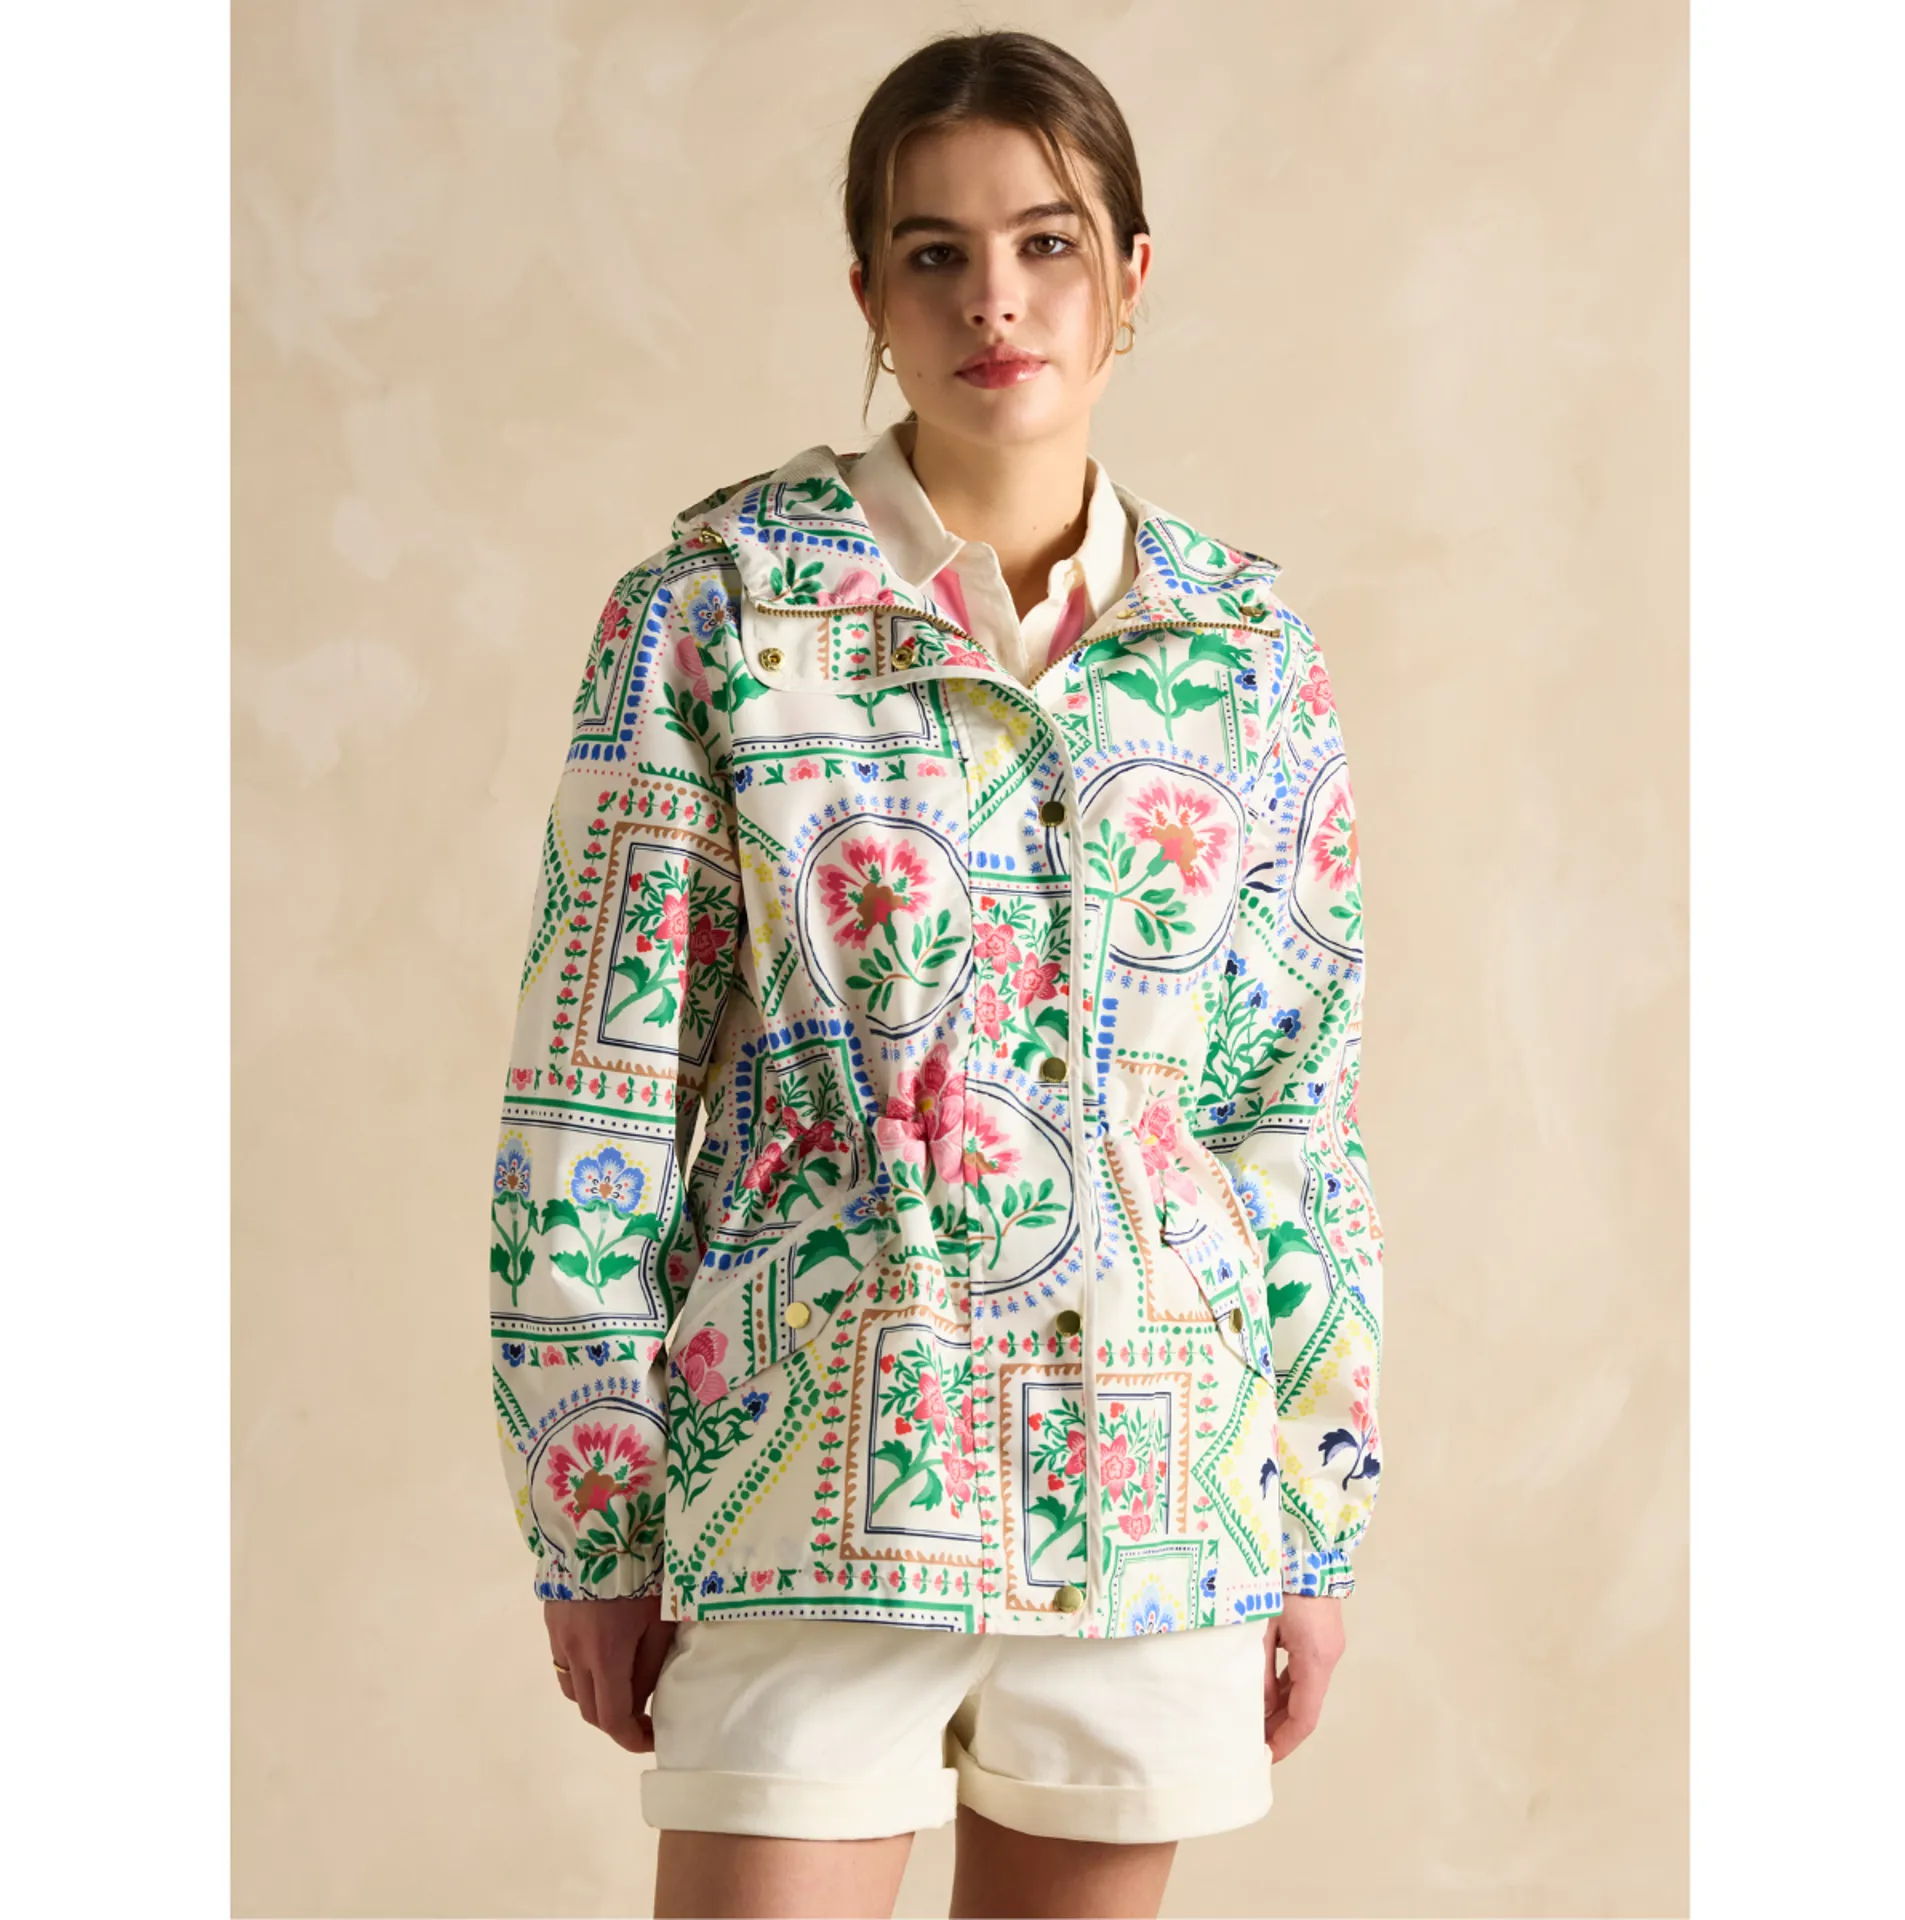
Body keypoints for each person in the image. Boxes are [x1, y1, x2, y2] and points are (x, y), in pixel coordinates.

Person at [488, 28, 1386, 1920]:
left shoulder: (1246, 654)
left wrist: (1314, 1507)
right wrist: (593, 1506)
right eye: (935, 253)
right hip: (810, 1470)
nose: (995, 298)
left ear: (1131, 274)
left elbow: (1285, 1108)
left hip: (1160, 1499)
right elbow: (594, 1090)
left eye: (1048, 242)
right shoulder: (718, 614)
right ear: (869, 297)